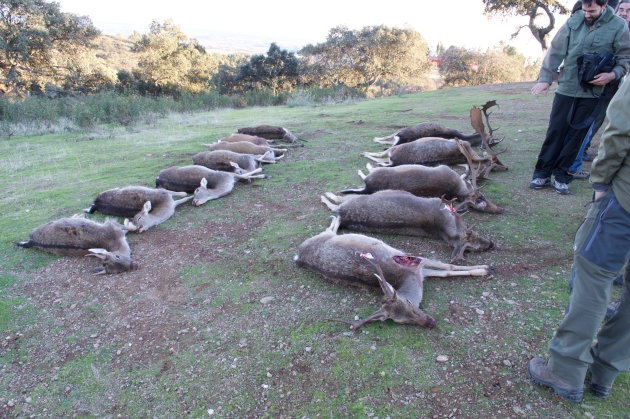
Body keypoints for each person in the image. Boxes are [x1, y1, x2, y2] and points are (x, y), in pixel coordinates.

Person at [527, 76, 630, 403]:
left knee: (593, 275)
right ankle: (606, 369)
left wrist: (600, 181)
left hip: (625, 201)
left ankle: (566, 368)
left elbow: (619, 133)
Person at [529, 0, 630, 195]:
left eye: (591, 10)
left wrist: (613, 74)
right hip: (566, 88)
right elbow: (555, 51)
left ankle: (562, 177)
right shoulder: (573, 22)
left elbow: (625, 58)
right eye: (584, 10)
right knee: (555, 132)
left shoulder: (618, 26)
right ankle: (541, 173)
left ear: (603, 6)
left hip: (594, 93)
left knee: (577, 136)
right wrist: (546, 79)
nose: (587, 14)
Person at [568, 0, 630, 180]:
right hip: (602, 88)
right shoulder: (609, 28)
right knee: (589, 124)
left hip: (620, 87)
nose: (625, 13)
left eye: (629, 10)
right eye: (622, 9)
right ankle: (575, 163)